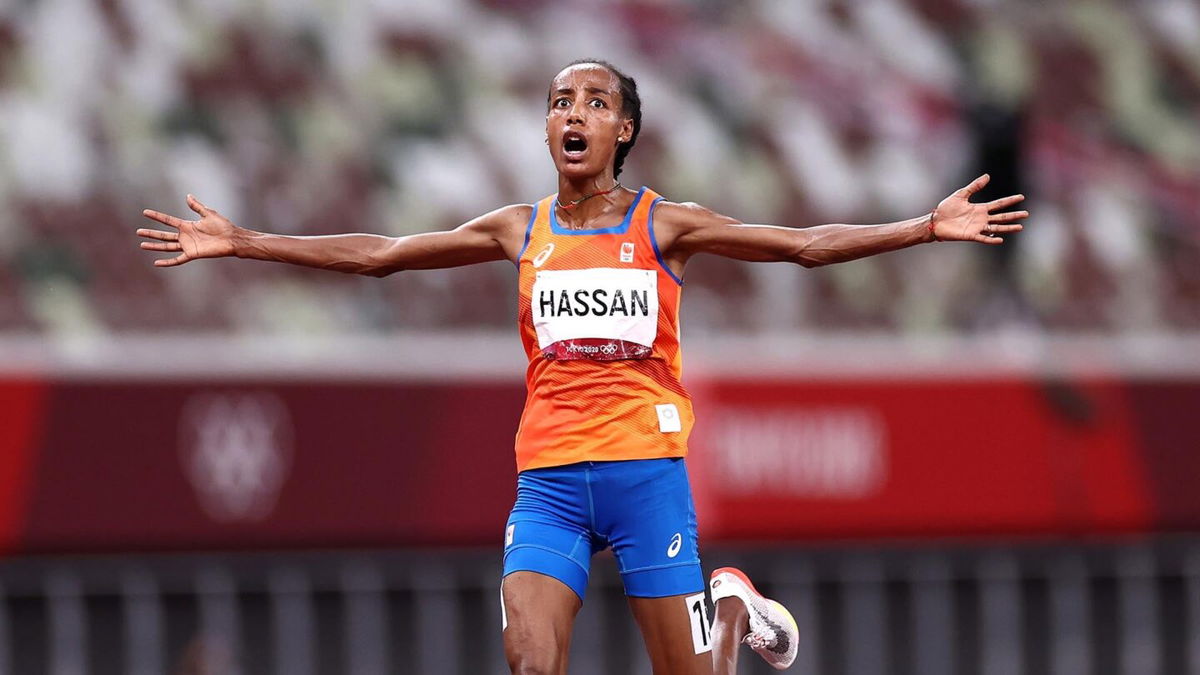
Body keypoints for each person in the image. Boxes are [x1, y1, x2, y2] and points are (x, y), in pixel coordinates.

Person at [138, 59, 1026, 674]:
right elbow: (382, 253)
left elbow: (800, 244)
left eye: (596, 101)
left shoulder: (664, 225)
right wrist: (246, 240)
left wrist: (920, 226)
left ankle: (727, 608)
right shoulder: (518, 230)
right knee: (530, 660)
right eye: (561, 100)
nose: (574, 113)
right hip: (551, 483)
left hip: (647, 479)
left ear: (625, 128)